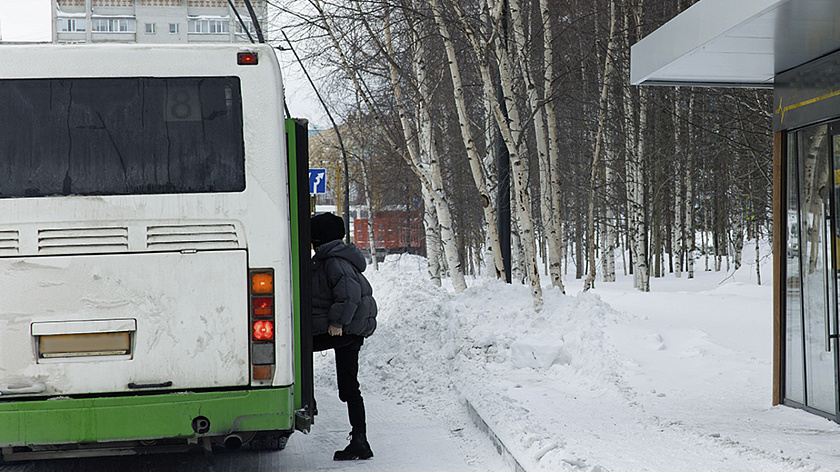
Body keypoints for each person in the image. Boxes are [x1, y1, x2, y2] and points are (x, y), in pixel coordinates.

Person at [310, 212, 377, 461]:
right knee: (349, 387)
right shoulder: (332, 258)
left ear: (320, 239)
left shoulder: (334, 261)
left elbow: (349, 295)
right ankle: (360, 441)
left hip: (345, 329)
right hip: (350, 330)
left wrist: (337, 322)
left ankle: (306, 399)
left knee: (298, 348)